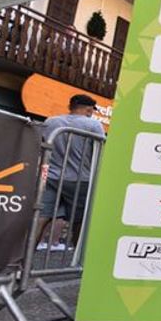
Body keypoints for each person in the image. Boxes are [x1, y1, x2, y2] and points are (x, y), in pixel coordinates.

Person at [36, 93, 105, 250]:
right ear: (89, 110)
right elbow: (98, 152)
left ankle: (23, 259)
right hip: (80, 179)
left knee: (41, 217)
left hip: (50, 176)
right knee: (79, 221)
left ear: (71, 107)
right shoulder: (94, 125)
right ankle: (77, 257)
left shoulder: (51, 121)